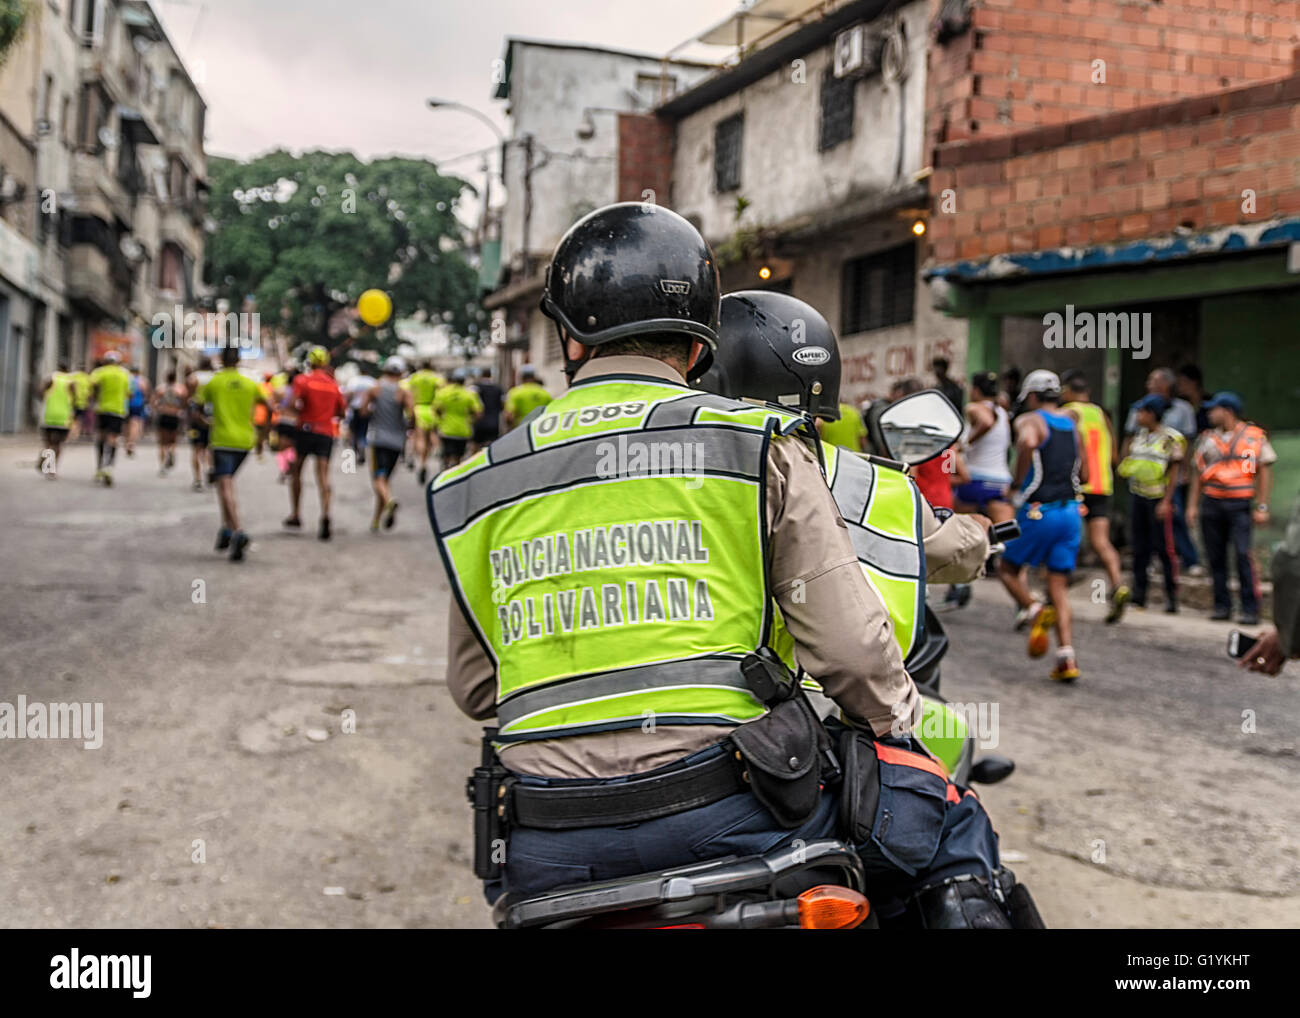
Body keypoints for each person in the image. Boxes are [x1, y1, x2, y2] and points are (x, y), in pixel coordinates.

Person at [429, 204, 1036, 928]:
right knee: (951, 831)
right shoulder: (757, 444)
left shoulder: (479, 481)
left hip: (543, 843)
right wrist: (897, 725)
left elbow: (476, 688)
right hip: (725, 812)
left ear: (569, 334)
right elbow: (847, 651)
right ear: (697, 346)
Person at [998, 370, 1086, 682]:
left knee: (1006, 567)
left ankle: (1033, 609)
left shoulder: (1031, 420)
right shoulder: (1072, 423)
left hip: (1039, 511)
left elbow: (1026, 443)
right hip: (1071, 513)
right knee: (1059, 587)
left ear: (1032, 397)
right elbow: (1084, 467)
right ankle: (1066, 656)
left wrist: (1016, 484)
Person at [1188, 392, 1274, 625]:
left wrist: (1262, 505)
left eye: (1213, 409)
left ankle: (1250, 609)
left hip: (1240, 503)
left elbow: (1264, 470)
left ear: (1227, 411)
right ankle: (1221, 605)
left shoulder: (1254, 437)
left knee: (1243, 554)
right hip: (1212, 502)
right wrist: (1192, 506)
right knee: (1215, 557)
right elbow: (1198, 473)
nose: (1209, 414)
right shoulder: (1207, 438)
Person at [1061, 370, 1129, 623]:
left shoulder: (1068, 412)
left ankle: (1054, 593)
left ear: (1068, 391)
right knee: (1101, 542)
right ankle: (1117, 585)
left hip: (1077, 485)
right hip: (1103, 485)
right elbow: (1113, 457)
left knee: (1067, 538)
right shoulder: (1101, 414)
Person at [1124, 367, 1200, 574]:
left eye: (1153, 380)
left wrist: (1186, 472)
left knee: (1173, 517)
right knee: (1144, 525)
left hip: (1167, 479)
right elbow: (1129, 437)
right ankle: (1151, 561)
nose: (1149, 385)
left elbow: (1188, 444)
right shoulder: (1139, 409)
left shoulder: (1182, 410)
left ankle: (1189, 560)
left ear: (1166, 384)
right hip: (1143, 481)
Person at [197, 346, 269, 561]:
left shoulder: (214, 382)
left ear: (221, 359)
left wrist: (205, 423)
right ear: (238, 360)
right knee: (224, 484)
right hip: (245, 441)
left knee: (225, 487)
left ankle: (237, 531)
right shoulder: (251, 383)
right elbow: (270, 407)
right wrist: (262, 436)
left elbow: (197, 408)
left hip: (222, 439)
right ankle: (226, 530)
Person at [1117, 394, 1184, 614]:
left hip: (1159, 498)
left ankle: (1172, 597)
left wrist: (1166, 501)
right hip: (1138, 496)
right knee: (1139, 548)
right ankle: (1139, 595)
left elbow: (1174, 472)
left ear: (1152, 414)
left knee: (1164, 549)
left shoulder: (1171, 439)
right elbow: (1123, 462)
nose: (1137, 416)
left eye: (1141, 412)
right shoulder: (1138, 436)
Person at [285, 346, 346, 541]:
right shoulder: (333, 385)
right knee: (323, 476)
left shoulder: (302, 380)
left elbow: (293, 404)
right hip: (326, 432)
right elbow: (342, 412)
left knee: (297, 472)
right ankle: (326, 514)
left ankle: (296, 514)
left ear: (310, 362)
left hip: (305, 430)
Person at [954, 371, 1015, 525]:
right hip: (1001, 482)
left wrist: (965, 444)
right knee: (1005, 534)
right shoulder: (1003, 412)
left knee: (959, 530)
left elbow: (986, 422)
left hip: (976, 480)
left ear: (975, 390)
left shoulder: (974, 408)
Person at [359, 356, 412, 532]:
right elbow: (412, 416)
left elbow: (363, 411)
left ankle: (389, 501)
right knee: (385, 480)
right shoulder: (403, 392)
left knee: (378, 479)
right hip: (397, 441)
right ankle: (376, 520)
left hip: (378, 439)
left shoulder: (375, 389)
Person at [89, 351, 132, 485]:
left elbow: (93, 386)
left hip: (102, 409)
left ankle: (99, 467)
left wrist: (96, 397)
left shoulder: (99, 372)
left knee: (101, 437)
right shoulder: (125, 374)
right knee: (113, 439)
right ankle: (109, 467)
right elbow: (129, 393)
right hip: (118, 411)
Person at [431, 367, 482, 470]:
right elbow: (478, 413)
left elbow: (436, 409)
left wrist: (441, 419)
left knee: (446, 453)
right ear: (464, 380)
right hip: (463, 430)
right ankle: (454, 474)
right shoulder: (469, 394)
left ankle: (444, 470)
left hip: (447, 429)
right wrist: (471, 421)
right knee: (459, 456)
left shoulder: (443, 393)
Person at [406, 358, 444, 484]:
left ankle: (421, 463)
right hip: (431, 409)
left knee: (420, 437)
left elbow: (408, 392)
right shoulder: (436, 378)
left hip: (418, 408)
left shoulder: (414, 377)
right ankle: (437, 450)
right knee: (432, 434)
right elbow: (441, 393)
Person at [37, 361, 76, 478]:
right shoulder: (71, 382)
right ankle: (51, 470)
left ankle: (44, 460)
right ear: (68, 369)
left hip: (49, 415)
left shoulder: (50, 379)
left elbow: (40, 393)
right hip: (63, 417)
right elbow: (75, 399)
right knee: (57, 444)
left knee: (48, 443)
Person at [151, 370, 188, 477]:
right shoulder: (181, 389)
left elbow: (153, 402)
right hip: (175, 416)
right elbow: (185, 403)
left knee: (162, 442)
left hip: (164, 415)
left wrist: (159, 408)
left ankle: (162, 465)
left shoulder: (160, 389)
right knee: (173, 440)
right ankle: (171, 451)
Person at [186, 358, 215, 491]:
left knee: (196, 448)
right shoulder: (216, 378)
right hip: (212, 415)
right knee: (210, 447)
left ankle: (198, 479)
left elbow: (189, 399)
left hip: (197, 416)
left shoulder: (193, 378)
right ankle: (209, 468)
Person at [503, 365, 552, 429]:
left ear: (521, 377)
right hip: (539, 429)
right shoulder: (545, 393)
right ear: (534, 377)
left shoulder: (515, 392)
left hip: (521, 429)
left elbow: (509, 416)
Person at [344, 370, 377, 465]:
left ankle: (356, 447)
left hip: (355, 408)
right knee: (363, 430)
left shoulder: (354, 380)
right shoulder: (372, 381)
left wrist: (347, 404)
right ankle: (362, 445)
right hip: (368, 409)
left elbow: (349, 394)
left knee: (353, 430)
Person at [469, 366, 504, 454]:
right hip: (494, 422)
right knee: (492, 447)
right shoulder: (498, 388)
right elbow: (503, 404)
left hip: (479, 422)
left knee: (475, 445)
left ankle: (474, 465)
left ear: (481, 375)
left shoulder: (476, 387)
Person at [125, 366, 150, 457]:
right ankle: (131, 443)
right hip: (137, 404)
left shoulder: (127, 379)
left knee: (126, 424)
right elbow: (146, 393)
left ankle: (127, 441)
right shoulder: (142, 380)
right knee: (134, 423)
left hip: (126, 404)